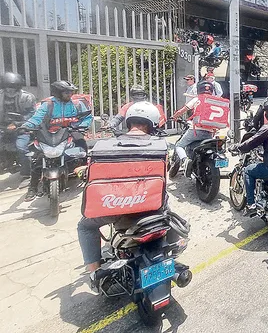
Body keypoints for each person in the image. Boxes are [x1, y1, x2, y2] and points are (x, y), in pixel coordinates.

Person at [77, 102, 163, 291]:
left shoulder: (104, 146)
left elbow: (94, 174)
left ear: (128, 121)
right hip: (154, 205)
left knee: (84, 226)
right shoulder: (161, 145)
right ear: (153, 123)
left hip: (118, 208)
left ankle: (95, 273)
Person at [23, 80, 93, 200]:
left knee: (81, 144)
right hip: (49, 134)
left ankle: (86, 174)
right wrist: (26, 125)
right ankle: (33, 188)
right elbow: (37, 118)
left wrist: (82, 126)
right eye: (67, 93)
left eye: (71, 92)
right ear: (58, 93)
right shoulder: (47, 105)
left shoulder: (76, 104)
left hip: (69, 131)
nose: (70, 95)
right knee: (37, 159)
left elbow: (87, 117)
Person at [170, 81, 218, 171]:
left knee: (179, 146)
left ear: (199, 89)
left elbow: (183, 110)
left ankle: (185, 161)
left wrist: (175, 116)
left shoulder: (197, 99)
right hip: (210, 132)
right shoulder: (215, 101)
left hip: (196, 131)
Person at [0, 72, 36, 177]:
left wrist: (18, 123)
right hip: (2, 127)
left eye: (13, 88)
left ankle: (26, 174)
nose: (10, 90)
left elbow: (32, 113)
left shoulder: (27, 97)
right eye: (7, 87)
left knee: (21, 148)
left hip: (22, 128)